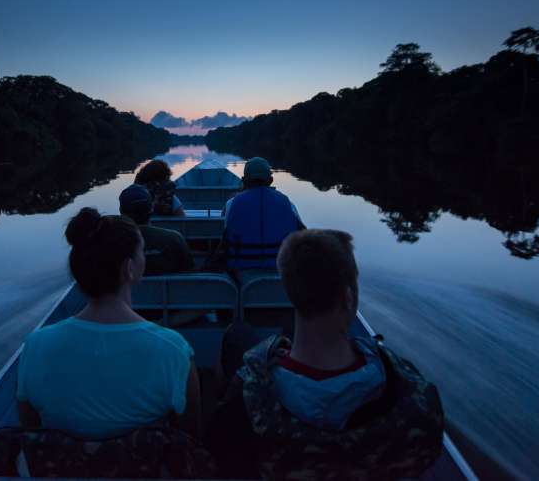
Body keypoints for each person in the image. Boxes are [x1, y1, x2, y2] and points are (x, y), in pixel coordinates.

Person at [207, 229, 445, 479]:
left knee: (237, 335)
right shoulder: (417, 402)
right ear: (349, 297)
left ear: (289, 292)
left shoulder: (241, 412)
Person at [16, 207, 201, 440]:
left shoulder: (36, 346)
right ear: (129, 268)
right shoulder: (173, 350)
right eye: (141, 251)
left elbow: (31, 434)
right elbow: (188, 439)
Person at [220, 157, 304, 270]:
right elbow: (303, 237)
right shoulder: (288, 203)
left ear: (244, 180)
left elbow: (225, 238)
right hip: (280, 272)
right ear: (270, 180)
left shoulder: (231, 204)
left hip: (241, 272)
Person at [119, 184, 194, 276]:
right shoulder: (175, 238)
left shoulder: (111, 243)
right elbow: (190, 272)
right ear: (152, 209)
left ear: (121, 212)